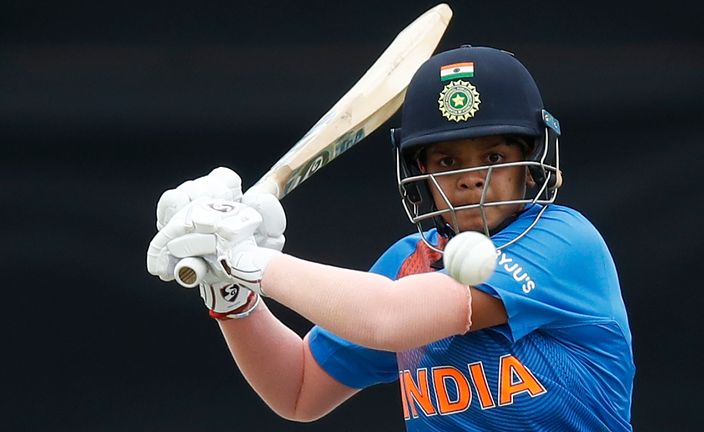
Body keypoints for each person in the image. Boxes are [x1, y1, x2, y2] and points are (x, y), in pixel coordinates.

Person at [147, 45, 635, 431]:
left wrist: (250, 259)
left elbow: (390, 317)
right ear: (420, 172)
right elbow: (297, 390)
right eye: (448, 162)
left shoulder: (566, 241)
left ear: (530, 162)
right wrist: (235, 300)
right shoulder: (411, 262)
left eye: (493, 156)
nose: (471, 179)